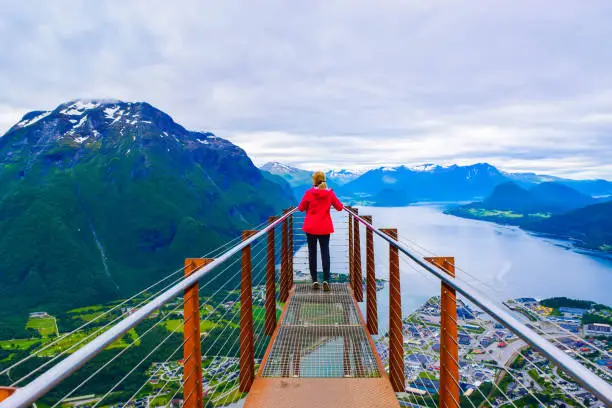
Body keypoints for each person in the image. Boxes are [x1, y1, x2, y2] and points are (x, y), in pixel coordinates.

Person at [298, 171, 344, 291]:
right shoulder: (329, 194)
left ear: (314, 181)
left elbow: (301, 208)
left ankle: (314, 281)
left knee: (312, 253)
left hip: (311, 227)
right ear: (324, 180)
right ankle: (326, 280)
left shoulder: (308, 193)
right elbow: (339, 207)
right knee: (325, 252)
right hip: (324, 227)